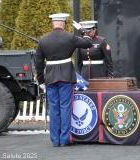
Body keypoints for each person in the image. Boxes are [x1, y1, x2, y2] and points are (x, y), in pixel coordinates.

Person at [35, 13, 92, 147]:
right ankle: (65, 139)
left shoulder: (43, 40)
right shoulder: (70, 37)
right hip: (66, 76)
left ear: (53, 24)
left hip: (50, 77)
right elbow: (88, 42)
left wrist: (41, 80)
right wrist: (82, 30)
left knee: (54, 108)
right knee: (65, 107)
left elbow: (38, 62)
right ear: (64, 24)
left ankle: (55, 140)